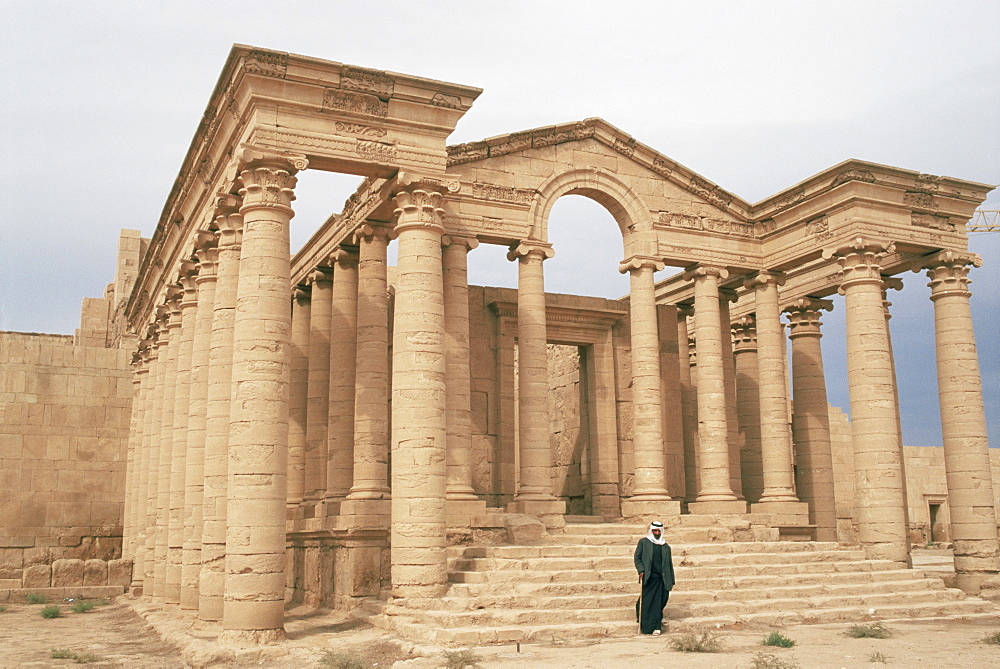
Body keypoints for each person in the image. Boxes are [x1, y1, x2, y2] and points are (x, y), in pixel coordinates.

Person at [633, 520, 675, 635]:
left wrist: (672, 580)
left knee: (661, 601)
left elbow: (669, 564)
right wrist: (641, 570)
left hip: (662, 578)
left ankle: (656, 621)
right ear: (651, 531)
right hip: (649, 577)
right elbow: (637, 558)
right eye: (654, 530)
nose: (656, 533)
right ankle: (651, 626)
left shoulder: (666, 546)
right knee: (648, 601)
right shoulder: (644, 542)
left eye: (658, 531)